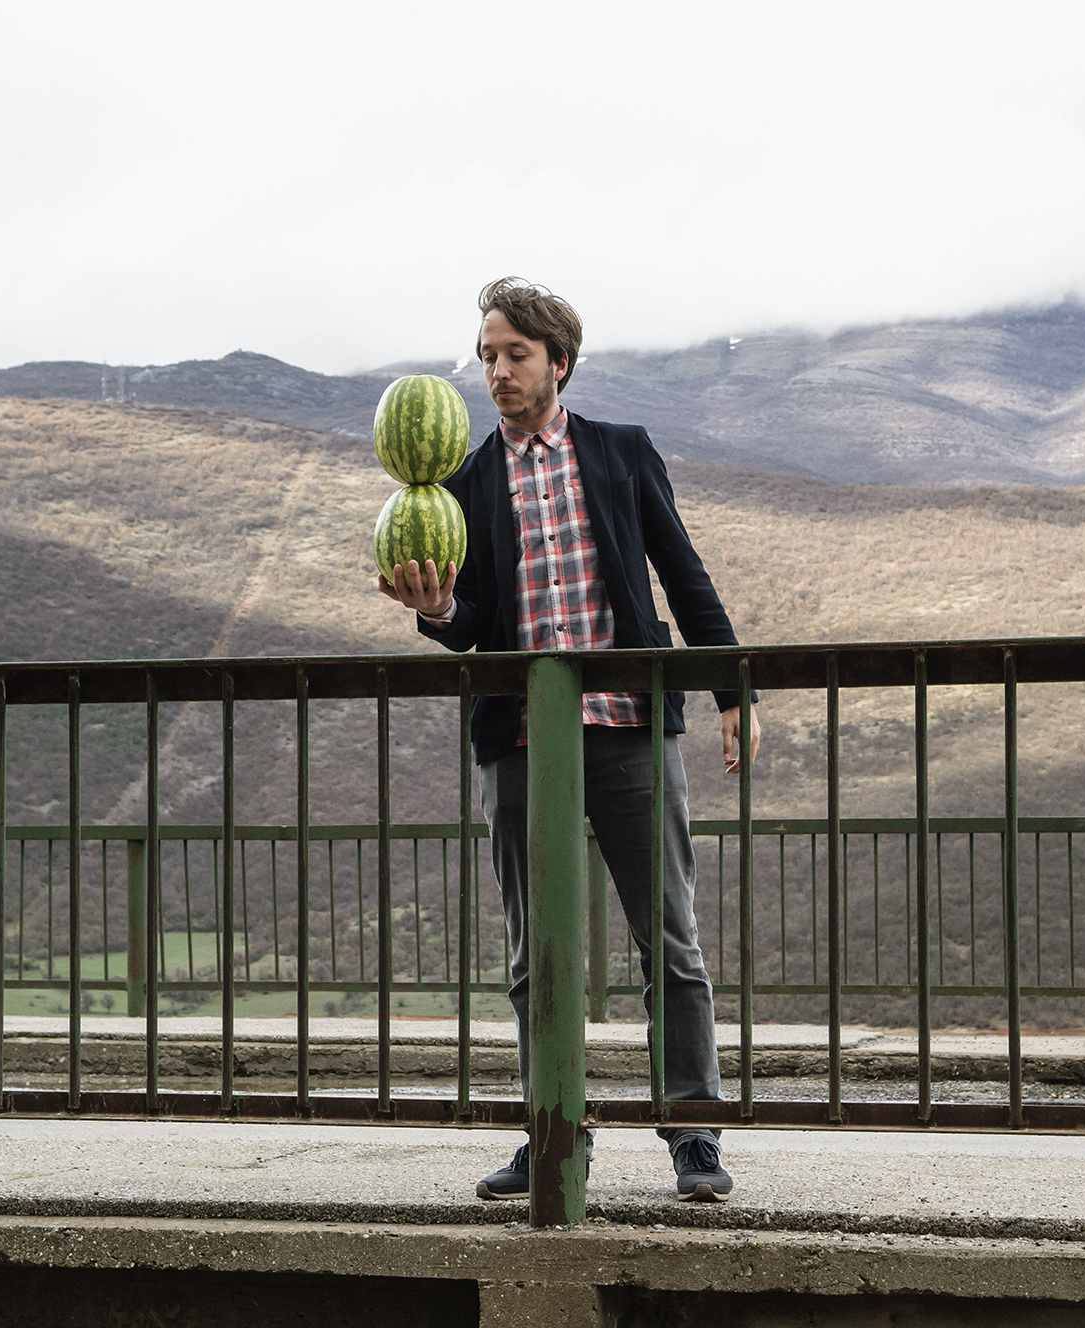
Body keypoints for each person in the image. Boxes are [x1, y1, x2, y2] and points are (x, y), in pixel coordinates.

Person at [378, 277, 759, 1203]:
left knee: (669, 941)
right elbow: (470, 622)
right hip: (518, 740)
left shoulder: (622, 455)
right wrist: (433, 612)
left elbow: (682, 574)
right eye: (487, 357)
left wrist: (729, 691)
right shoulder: (462, 482)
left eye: (515, 354)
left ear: (558, 361)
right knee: (532, 955)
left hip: (630, 729)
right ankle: (549, 1131)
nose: (498, 372)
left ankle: (692, 1135)